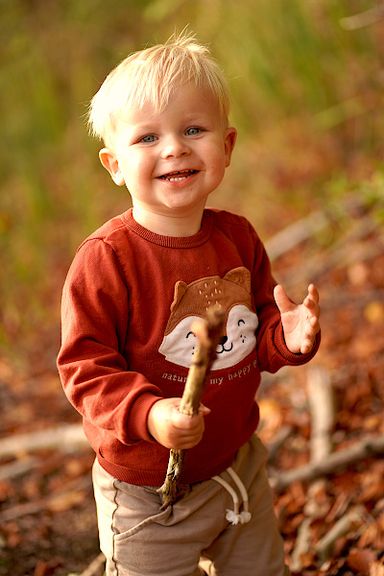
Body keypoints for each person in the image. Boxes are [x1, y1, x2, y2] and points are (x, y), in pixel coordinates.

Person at [57, 31, 321, 576]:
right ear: (113, 164)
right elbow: (85, 369)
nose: (174, 147)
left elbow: (255, 334)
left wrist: (288, 337)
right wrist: (150, 413)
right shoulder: (108, 260)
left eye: (193, 130)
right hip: (146, 490)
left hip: (235, 469)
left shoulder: (238, 239)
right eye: (147, 137)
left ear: (226, 146)